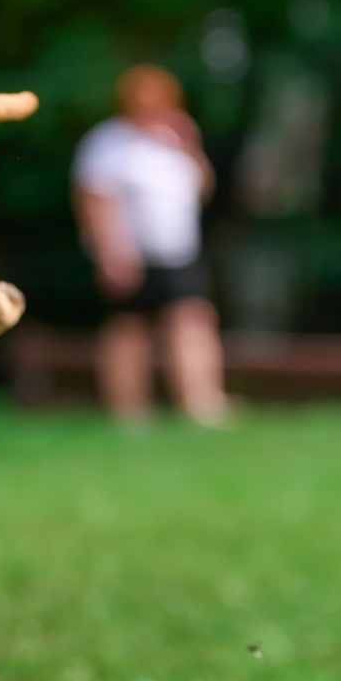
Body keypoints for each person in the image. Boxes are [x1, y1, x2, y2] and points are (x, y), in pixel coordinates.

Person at [73, 65, 228, 426]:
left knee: (193, 323)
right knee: (129, 330)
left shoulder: (175, 140)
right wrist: (110, 253)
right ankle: (130, 413)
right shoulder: (108, 142)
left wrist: (191, 147)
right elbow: (94, 199)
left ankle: (202, 406)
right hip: (130, 254)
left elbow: (203, 189)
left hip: (178, 251)